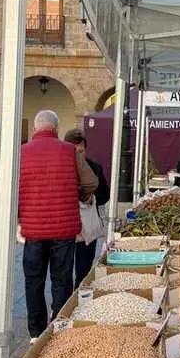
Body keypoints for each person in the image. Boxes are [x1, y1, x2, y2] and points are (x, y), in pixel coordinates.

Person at [19, 110, 97, 341]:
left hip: (33, 230)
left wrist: (21, 213)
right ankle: (59, 326)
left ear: (36, 128)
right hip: (64, 231)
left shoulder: (21, 152)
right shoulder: (70, 151)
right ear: (56, 128)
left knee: (33, 281)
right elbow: (91, 182)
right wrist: (78, 194)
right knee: (61, 279)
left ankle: (35, 331)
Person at [63, 128, 111, 287]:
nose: (78, 155)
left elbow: (105, 195)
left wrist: (91, 199)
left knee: (83, 267)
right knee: (63, 269)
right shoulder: (61, 167)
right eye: (74, 151)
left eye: (81, 151)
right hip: (66, 227)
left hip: (88, 226)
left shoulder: (95, 168)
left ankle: (80, 292)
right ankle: (66, 297)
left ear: (86, 149)